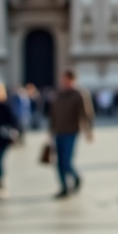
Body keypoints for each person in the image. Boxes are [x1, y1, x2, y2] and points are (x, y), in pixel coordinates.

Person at [48, 68, 93, 198]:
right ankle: (64, 187)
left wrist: (88, 131)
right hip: (58, 131)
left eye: (67, 79)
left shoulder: (79, 94)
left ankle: (76, 177)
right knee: (58, 162)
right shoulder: (57, 93)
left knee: (67, 161)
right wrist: (50, 130)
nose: (64, 82)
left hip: (71, 131)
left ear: (73, 80)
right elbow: (53, 114)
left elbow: (87, 114)